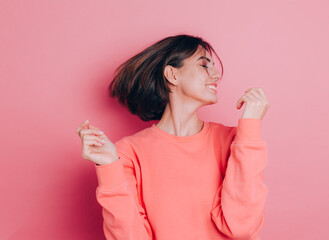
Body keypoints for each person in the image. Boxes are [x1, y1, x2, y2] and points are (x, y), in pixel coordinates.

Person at [76, 34, 270, 240]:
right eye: (204, 66)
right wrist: (108, 166)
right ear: (172, 75)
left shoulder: (235, 141)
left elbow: (242, 226)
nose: (216, 75)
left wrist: (250, 127)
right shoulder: (128, 152)